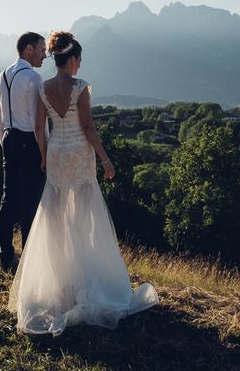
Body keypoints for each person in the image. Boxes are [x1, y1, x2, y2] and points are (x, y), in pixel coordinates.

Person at [8, 31, 158, 336]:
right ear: (72, 58)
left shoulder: (44, 88)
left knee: (56, 216)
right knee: (87, 217)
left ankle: (62, 281)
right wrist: (105, 159)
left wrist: (43, 155)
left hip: (56, 154)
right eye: (79, 60)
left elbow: (39, 126)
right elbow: (88, 126)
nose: (79, 65)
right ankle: (85, 279)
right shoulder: (80, 88)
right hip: (79, 153)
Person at [0, 32, 47, 271]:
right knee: (30, 202)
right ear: (28, 49)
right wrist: (45, 152)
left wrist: (4, 142)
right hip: (29, 141)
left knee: (8, 198)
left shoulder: (1, 77)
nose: (44, 54)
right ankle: (27, 261)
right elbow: (39, 123)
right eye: (41, 49)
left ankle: (6, 256)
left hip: (9, 138)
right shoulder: (33, 79)